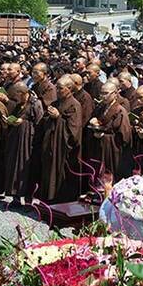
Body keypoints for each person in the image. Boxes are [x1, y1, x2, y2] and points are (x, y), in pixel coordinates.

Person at [38, 75, 82, 203]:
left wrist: (58, 118)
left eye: (60, 88)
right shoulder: (55, 103)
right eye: (56, 87)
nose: (57, 90)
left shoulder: (74, 105)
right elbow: (45, 120)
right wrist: (49, 116)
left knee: (61, 174)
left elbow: (73, 130)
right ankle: (46, 200)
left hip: (63, 149)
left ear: (69, 88)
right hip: (51, 145)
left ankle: (59, 201)